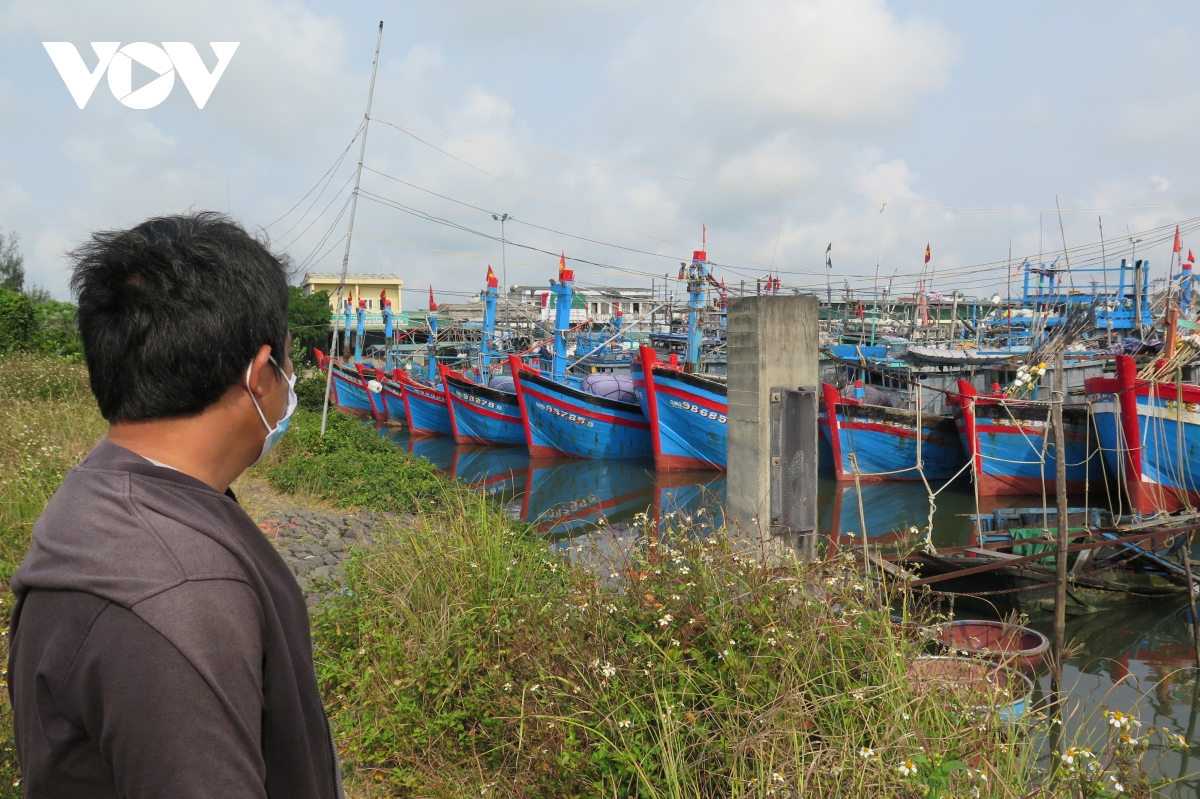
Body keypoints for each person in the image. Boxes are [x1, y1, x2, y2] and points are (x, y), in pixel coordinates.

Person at [8, 213, 342, 798]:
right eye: (290, 364)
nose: (292, 382)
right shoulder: (179, 592)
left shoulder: (109, 484)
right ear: (259, 374)